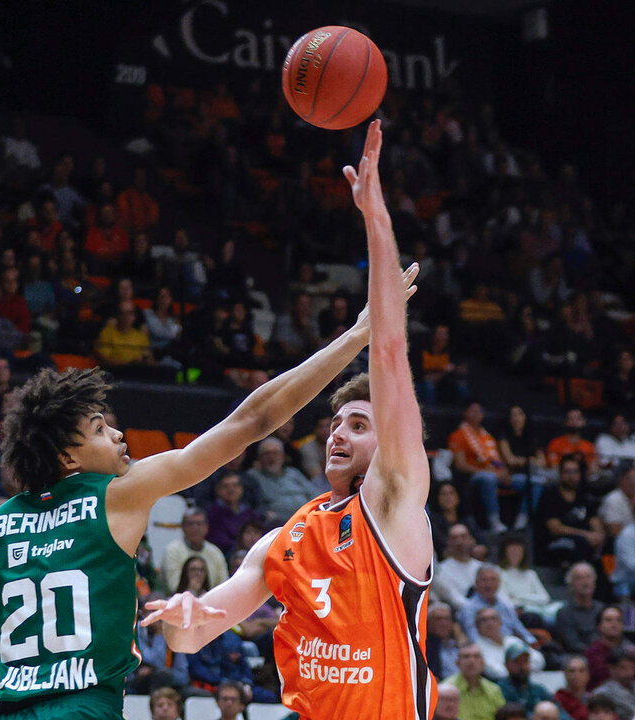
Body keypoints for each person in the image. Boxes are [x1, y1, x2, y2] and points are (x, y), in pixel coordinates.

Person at [0, 242, 380, 720]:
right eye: (99, 426)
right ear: (65, 455)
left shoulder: (1, 531)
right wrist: (353, 337)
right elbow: (253, 419)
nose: (119, 436)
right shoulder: (120, 495)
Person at [141, 120, 434, 718]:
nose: (338, 432)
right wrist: (186, 615)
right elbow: (191, 636)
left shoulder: (397, 505)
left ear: (392, 443)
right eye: (337, 423)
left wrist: (375, 217)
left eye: (359, 424)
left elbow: (388, 352)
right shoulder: (288, 536)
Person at [448, 400, 513, 532]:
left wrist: (504, 472)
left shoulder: (487, 436)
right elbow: (461, 465)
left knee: (531, 482)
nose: (477, 413)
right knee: (488, 478)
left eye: (480, 411)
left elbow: (498, 460)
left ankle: (521, 522)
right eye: (473, 410)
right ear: (465, 413)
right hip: (472, 477)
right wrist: (488, 472)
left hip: (495, 474)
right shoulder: (458, 436)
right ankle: (494, 521)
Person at [534, 455, 604, 567]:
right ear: (560, 474)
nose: (571, 476)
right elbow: (555, 528)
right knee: (579, 543)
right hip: (553, 542)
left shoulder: (584, 495)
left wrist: (598, 535)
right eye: (567, 472)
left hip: (583, 539)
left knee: (608, 542)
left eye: (575, 472)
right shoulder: (550, 494)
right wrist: (586, 535)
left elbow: (594, 519)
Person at [242, 436, 322, 527]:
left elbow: (315, 494)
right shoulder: (254, 476)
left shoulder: (293, 472)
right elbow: (256, 505)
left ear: (283, 456)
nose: (271, 457)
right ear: (259, 458)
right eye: (267, 454)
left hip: (308, 519)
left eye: (275, 453)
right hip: (279, 524)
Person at [458, 565, 537, 646]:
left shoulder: (505, 606)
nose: (489, 584)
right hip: (487, 649)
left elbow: (520, 629)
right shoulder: (468, 608)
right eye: (484, 580)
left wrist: (532, 643)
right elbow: (473, 637)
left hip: (511, 646)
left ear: (499, 583)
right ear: (476, 583)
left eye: (493, 580)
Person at [160, 509, 229, 592]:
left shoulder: (215, 552)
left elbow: (224, 585)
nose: (195, 528)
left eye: (199, 524)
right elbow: (174, 586)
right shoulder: (172, 550)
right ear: (183, 527)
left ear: (206, 527)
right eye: (190, 524)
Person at [471, 609, 545, 680]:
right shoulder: (476, 648)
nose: (489, 623)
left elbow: (539, 660)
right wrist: (523, 669)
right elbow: (497, 673)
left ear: (500, 623)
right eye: (484, 620)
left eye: (493, 619)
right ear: (477, 626)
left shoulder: (512, 640)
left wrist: (518, 670)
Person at [443, 644, 506, 720]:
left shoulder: (494, 690)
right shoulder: (445, 690)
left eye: (476, 657)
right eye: (466, 657)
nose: (471, 661)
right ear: (457, 663)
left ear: (483, 663)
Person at [555, 563, 606, 655]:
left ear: (594, 582)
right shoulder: (565, 613)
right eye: (579, 578)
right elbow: (573, 644)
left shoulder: (603, 609)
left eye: (588, 577)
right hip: (581, 658)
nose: (585, 582)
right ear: (571, 584)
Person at [205, 473, 262, 555]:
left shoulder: (250, 513)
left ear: (241, 489)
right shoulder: (212, 513)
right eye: (226, 486)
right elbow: (219, 541)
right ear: (218, 490)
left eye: (235, 486)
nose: (231, 490)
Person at [585, 607, 635, 689]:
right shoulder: (591, 653)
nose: (614, 624)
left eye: (618, 620)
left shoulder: (631, 651)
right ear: (599, 626)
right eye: (608, 620)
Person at [426, 602, 467, 681]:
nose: (443, 623)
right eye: (438, 619)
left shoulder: (457, 644)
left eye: (447, 619)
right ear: (428, 623)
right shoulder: (425, 647)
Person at [591, 650, 635, 720]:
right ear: (611, 669)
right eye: (623, 668)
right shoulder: (602, 693)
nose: (629, 672)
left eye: (632, 668)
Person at [554, 655, 592, 720]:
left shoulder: (594, 699)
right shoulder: (558, 699)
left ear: (588, 675)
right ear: (565, 674)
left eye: (581, 671)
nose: (576, 675)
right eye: (572, 671)